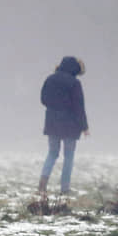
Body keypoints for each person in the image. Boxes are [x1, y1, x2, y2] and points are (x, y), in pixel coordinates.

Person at [38, 56, 89, 194]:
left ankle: (42, 185)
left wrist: (54, 108)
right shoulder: (74, 84)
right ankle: (65, 188)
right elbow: (79, 107)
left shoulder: (50, 79)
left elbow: (43, 99)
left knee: (52, 153)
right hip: (70, 125)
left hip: (52, 122)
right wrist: (84, 126)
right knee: (69, 155)